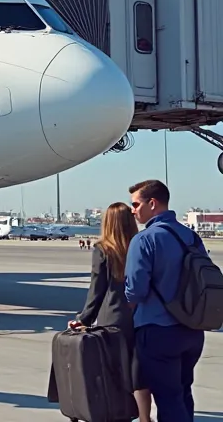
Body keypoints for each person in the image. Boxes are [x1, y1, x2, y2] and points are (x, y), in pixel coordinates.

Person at [125, 179, 207, 421]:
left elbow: (135, 290)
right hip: (192, 329)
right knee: (182, 394)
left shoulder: (145, 239)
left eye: (136, 204)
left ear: (152, 203)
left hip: (158, 330)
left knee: (168, 398)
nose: (133, 210)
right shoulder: (190, 237)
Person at [65, 203, 151, 422]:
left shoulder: (103, 249)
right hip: (141, 317)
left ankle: (115, 411)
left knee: (112, 370)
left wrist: (82, 319)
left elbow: (97, 289)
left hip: (113, 319)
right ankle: (144, 417)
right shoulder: (140, 245)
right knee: (137, 369)